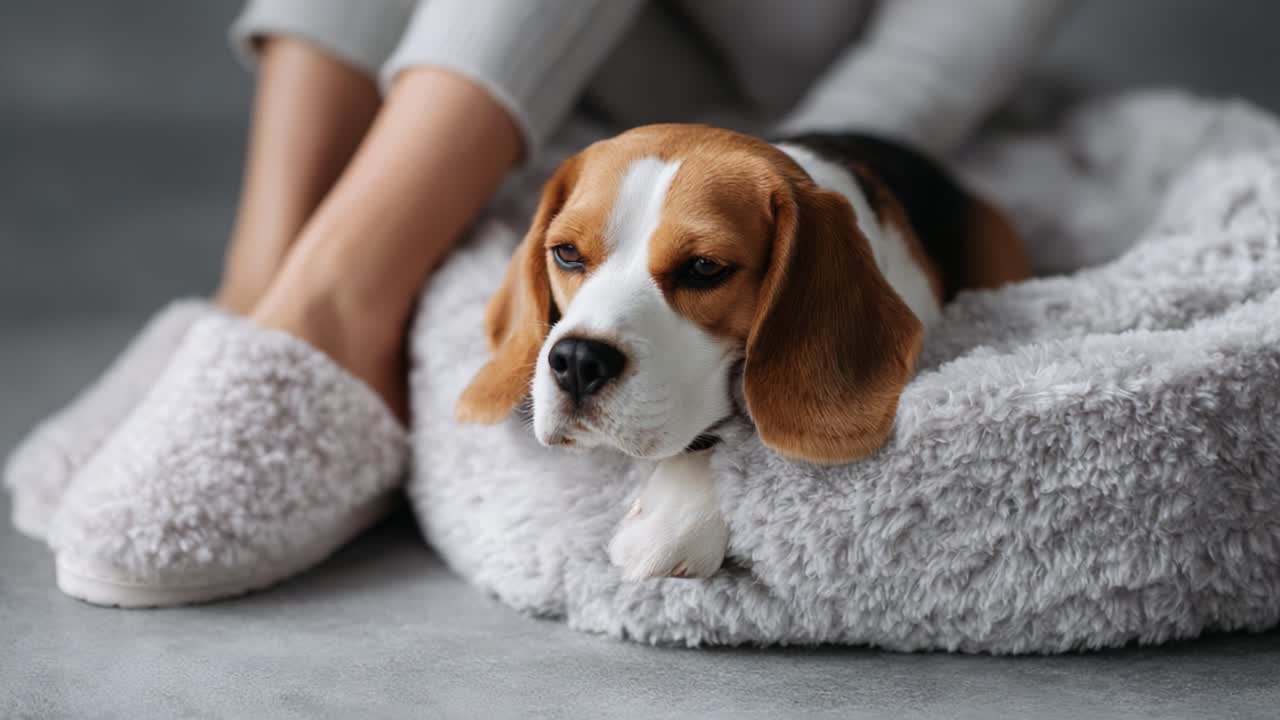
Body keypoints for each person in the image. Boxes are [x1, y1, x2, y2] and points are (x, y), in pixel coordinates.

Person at [5, 0, 1076, 606]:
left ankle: (333, 303)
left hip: (811, 115)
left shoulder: (829, 247)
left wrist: (762, 178)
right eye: (569, 264)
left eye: (694, 273)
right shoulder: (572, 243)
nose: (578, 346)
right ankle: (269, 278)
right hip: (530, 84)